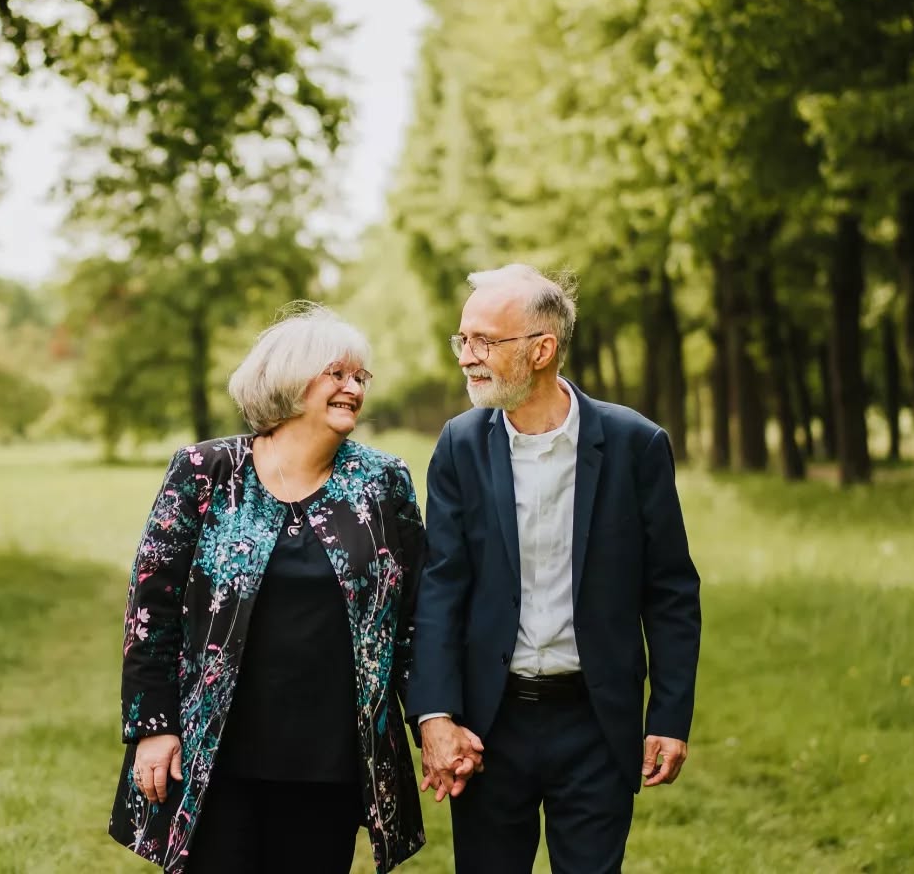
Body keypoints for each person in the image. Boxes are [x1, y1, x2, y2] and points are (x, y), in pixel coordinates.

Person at [108, 303, 428, 874]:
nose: (353, 387)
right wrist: (154, 727)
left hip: (329, 761)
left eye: (360, 377)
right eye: (337, 373)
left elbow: (412, 619)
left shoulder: (384, 482)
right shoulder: (206, 472)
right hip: (217, 751)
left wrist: (434, 719)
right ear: (289, 377)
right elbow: (149, 612)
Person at [406, 264, 701, 874]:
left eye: (485, 341)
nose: (468, 356)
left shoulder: (635, 444)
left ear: (541, 350)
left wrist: (669, 715)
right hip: (490, 725)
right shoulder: (459, 445)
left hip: (596, 721)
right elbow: (440, 587)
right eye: (463, 339)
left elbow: (670, 590)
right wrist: (435, 715)